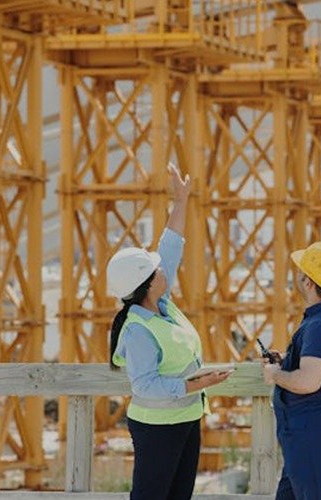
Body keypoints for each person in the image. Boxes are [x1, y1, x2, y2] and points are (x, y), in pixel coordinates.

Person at [106, 164, 231, 500]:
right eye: (156, 267)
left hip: (187, 416)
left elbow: (171, 247)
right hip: (158, 426)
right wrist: (197, 384)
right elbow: (144, 384)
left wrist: (181, 200)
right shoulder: (137, 331)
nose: (163, 267)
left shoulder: (161, 304)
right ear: (147, 283)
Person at [262, 242, 321, 500]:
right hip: (310, 430)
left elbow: (309, 381)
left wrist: (275, 375)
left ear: (308, 282)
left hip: (311, 430)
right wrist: (288, 360)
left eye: (301, 273)